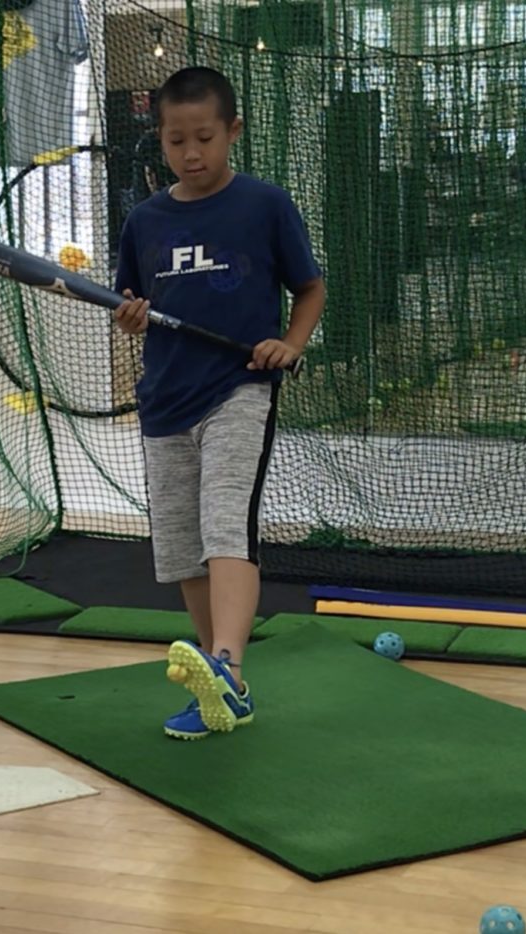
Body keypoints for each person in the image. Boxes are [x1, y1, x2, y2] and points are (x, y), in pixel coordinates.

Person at [114, 66, 325, 740]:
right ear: (160, 140)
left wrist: (290, 343)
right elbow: (131, 305)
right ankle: (216, 683)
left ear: (233, 131)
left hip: (238, 389)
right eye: (176, 141)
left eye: (204, 138)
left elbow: (310, 288)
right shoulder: (144, 220)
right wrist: (129, 317)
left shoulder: (264, 205)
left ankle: (229, 667)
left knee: (226, 525)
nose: (191, 153)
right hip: (164, 402)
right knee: (183, 548)